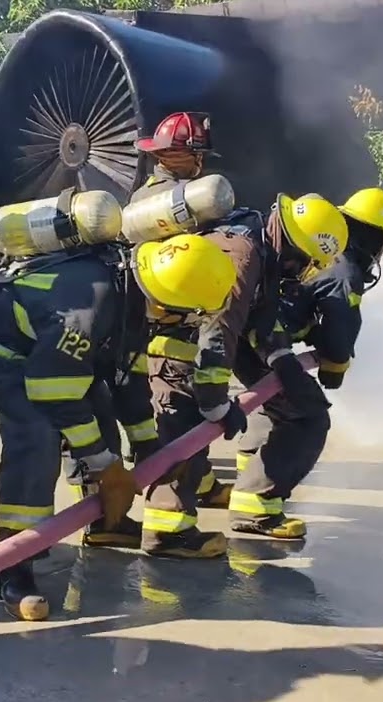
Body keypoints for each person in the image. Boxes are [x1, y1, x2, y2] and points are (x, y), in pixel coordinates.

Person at [0, 232, 238, 619]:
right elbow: (53, 391)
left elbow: (126, 381)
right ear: (166, 305)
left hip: (47, 352)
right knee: (37, 436)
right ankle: (13, 561)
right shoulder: (94, 304)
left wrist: (149, 448)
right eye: (187, 315)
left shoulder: (133, 290)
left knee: (96, 404)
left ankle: (103, 524)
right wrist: (108, 467)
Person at [139, 193, 347, 546]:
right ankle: (167, 536)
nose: (300, 273)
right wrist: (217, 405)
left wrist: (280, 356)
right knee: (183, 440)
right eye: (304, 263)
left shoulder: (260, 242)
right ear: (294, 247)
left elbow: (262, 316)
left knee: (306, 413)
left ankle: (253, 505)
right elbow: (218, 331)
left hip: (194, 349)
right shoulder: (243, 256)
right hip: (179, 353)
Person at [130, 111, 237, 510]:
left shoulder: (150, 200)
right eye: (198, 155)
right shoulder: (176, 208)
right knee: (177, 429)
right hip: (166, 336)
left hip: (171, 331)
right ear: (188, 155)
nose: (201, 164)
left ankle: (204, 485)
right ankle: (170, 530)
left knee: (189, 419)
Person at [279, 186, 383, 391]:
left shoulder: (326, 248)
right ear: (376, 237)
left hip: (256, 329)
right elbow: (341, 323)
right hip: (263, 340)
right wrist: (336, 367)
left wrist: (314, 333)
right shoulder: (346, 272)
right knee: (309, 418)